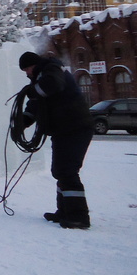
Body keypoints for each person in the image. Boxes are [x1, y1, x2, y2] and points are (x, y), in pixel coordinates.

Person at [19, 51, 94, 229]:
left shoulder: (52, 70)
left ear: (33, 65)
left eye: (26, 69)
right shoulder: (44, 75)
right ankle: (65, 211)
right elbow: (37, 102)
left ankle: (78, 217)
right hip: (64, 129)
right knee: (60, 170)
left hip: (75, 128)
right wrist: (24, 120)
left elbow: (49, 87)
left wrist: (32, 90)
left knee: (67, 171)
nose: (26, 74)